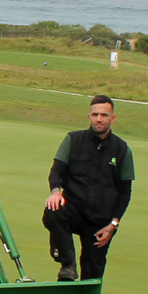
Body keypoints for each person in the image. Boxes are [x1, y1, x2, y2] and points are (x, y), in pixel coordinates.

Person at [43, 96, 134, 281]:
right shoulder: (73, 139)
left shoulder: (122, 149)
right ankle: (67, 264)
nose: (99, 119)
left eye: (104, 115)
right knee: (53, 211)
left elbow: (125, 192)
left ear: (113, 118)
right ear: (89, 116)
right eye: (95, 114)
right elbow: (56, 171)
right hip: (74, 210)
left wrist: (113, 225)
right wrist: (55, 192)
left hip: (101, 221)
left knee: (92, 274)